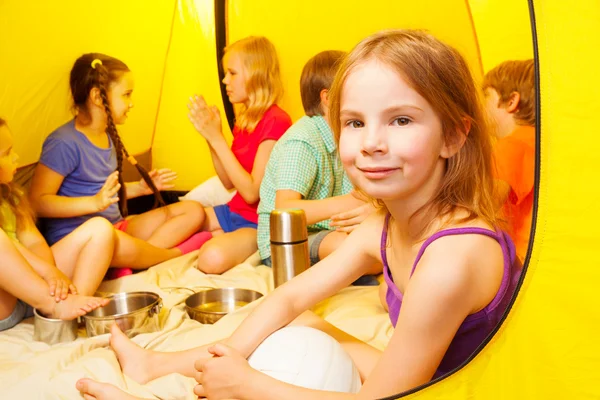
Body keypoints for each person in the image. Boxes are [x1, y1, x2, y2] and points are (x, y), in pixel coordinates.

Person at [76, 30, 522, 400]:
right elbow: (288, 298)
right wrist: (216, 363)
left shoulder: (452, 259)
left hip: (466, 388)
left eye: (401, 120)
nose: (371, 142)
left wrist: (249, 384)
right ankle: (156, 363)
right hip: (429, 374)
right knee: (298, 316)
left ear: (453, 136)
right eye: (354, 122)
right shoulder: (384, 228)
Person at [29, 54, 209, 274]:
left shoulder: (108, 135)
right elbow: (37, 202)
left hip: (117, 226)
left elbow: (108, 192)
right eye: (126, 94)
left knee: (193, 211)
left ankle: (134, 259)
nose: (132, 103)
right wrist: (92, 204)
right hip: (84, 239)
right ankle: (168, 255)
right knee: (112, 238)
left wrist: (141, 188)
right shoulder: (63, 143)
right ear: (97, 96)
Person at [256, 50, 379, 278]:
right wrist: (350, 201)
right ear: (329, 99)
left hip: (330, 230)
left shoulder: (348, 136)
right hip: (289, 241)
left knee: (383, 239)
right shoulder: (302, 141)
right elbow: (285, 209)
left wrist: (371, 207)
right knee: (364, 252)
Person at [187, 36, 292, 274]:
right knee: (176, 220)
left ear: (255, 74)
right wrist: (210, 136)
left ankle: (210, 238)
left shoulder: (276, 120)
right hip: (233, 210)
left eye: (232, 73)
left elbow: (251, 191)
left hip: (256, 221)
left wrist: (217, 139)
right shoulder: (246, 119)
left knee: (211, 258)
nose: (225, 81)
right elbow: (227, 182)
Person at [0, 117, 109, 332]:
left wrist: (50, 276)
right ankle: (55, 305)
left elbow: (33, 243)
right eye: (7, 153)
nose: (16, 157)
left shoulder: (10, 197)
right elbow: (13, 250)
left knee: (100, 229)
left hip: (31, 291)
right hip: (5, 302)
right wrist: (46, 273)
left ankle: (71, 305)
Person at [483, 59, 536, 262]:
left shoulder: (512, 144)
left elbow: (482, 205)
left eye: (486, 96)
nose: (480, 105)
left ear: (511, 102)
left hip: (520, 262)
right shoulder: (536, 140)